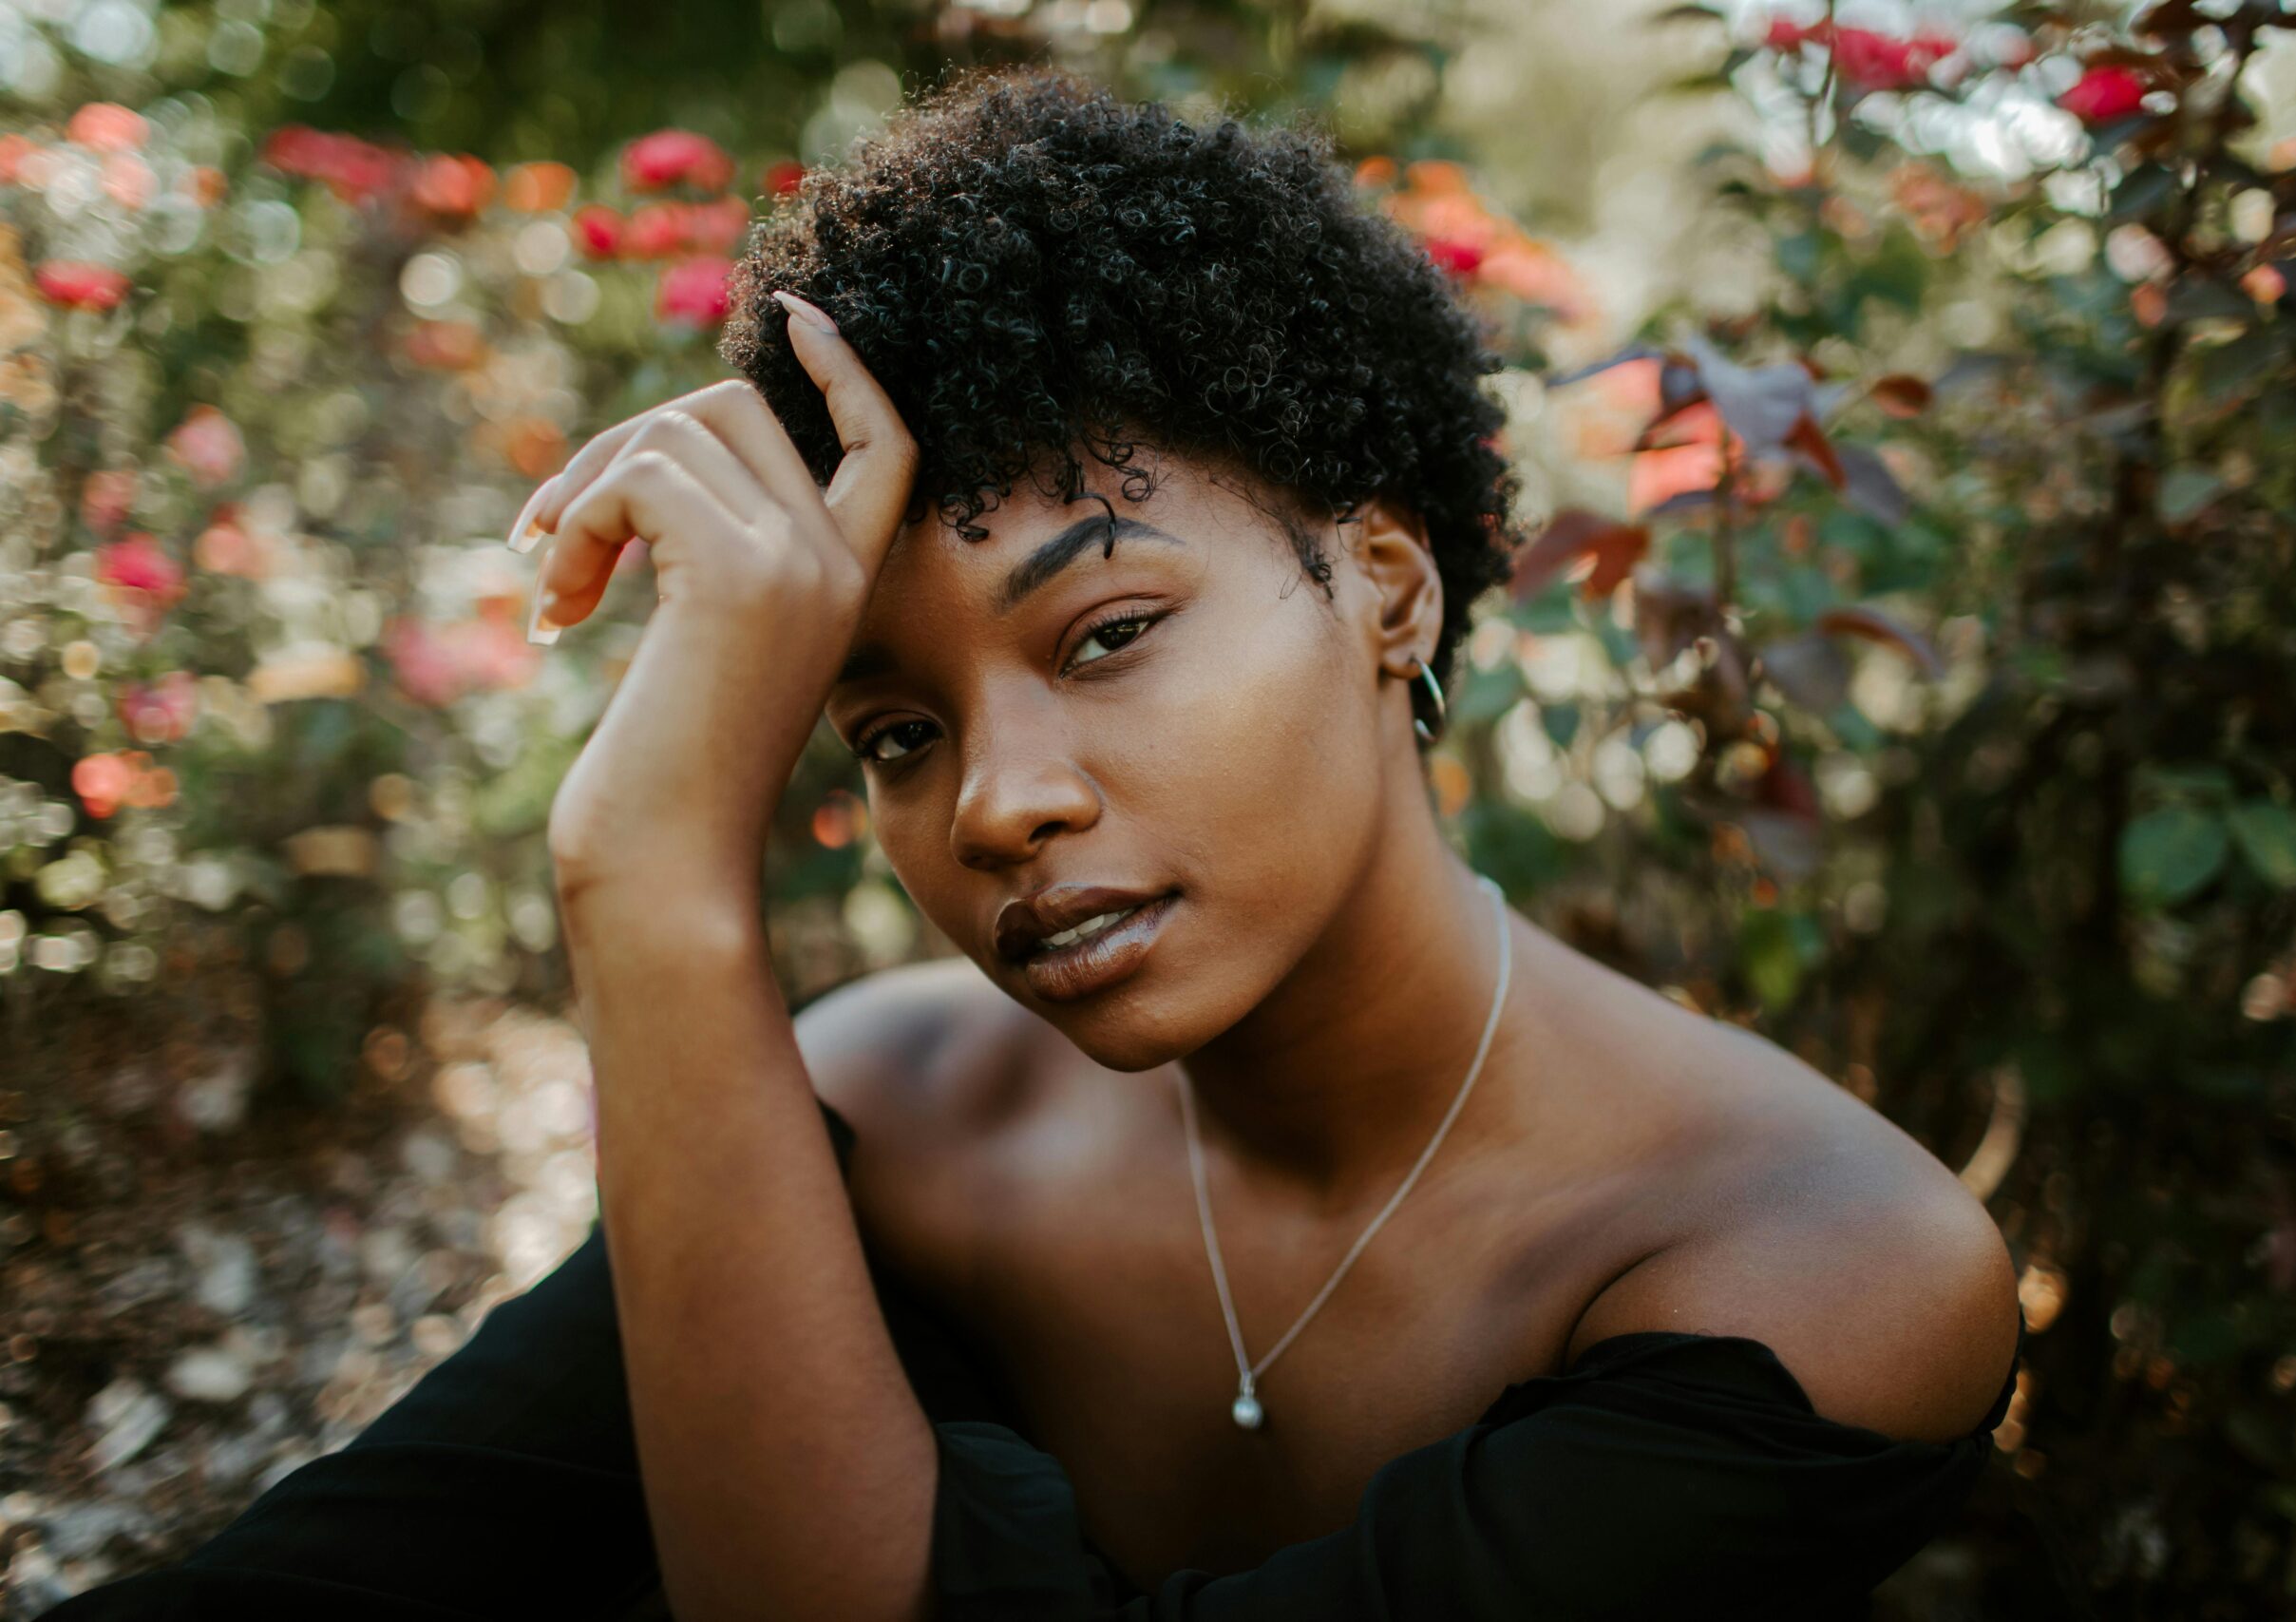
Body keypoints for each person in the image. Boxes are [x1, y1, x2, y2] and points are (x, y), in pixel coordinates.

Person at [44, 67, 2023, 1622]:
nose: (996, 802)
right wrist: (638, 864)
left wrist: (648, 893)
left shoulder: (1811, 1273)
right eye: (893, 728)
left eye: (1108, 632)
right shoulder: (878, 1117)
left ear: (1385, 589)